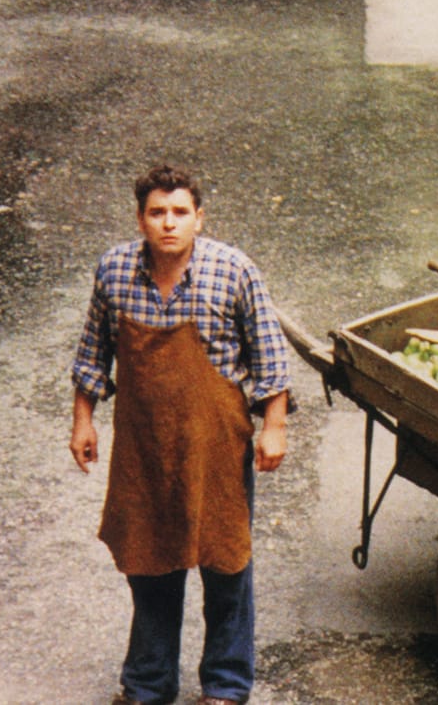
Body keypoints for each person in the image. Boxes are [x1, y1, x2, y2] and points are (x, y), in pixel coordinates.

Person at [70, 164, 292, 705]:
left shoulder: (233, 271)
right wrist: (83, 419)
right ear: (140, 219)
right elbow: (93, 353)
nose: (168, 223)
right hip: (143, 448)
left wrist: (274, 427)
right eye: (157, 213)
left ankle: (226, 684)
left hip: (217, 446)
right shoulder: (114, 271)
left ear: (199, 217)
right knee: (149, 563)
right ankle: (148, 683)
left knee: (226, 563)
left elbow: (270, 359)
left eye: (179, 212)